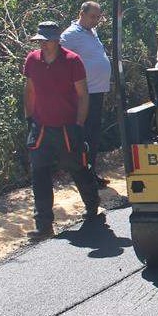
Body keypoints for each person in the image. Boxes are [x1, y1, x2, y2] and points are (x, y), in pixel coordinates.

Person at [23, 21, 102, 238]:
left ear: (57, 40)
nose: (43, 44)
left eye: (47, 40)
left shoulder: (72, 61)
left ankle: (92, 204)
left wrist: (79, 124)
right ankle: (44, 225)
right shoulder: (32, 60)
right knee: (39, 173)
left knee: (76, 167)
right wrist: (29, 118)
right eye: (40, 40)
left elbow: (83, 95)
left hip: (67, 126)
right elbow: (29, 90)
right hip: (41, 126)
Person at [60, 1, 112, 186]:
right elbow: (61, 62)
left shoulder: (91, 32)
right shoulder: (70, 35)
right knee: (86, 136)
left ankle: (91, 174)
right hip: (84, 95)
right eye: (93, 17)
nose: (96, 20)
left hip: (97, 92)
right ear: (81, 13)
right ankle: (84, 177)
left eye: (98, 17)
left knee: (94, 136)